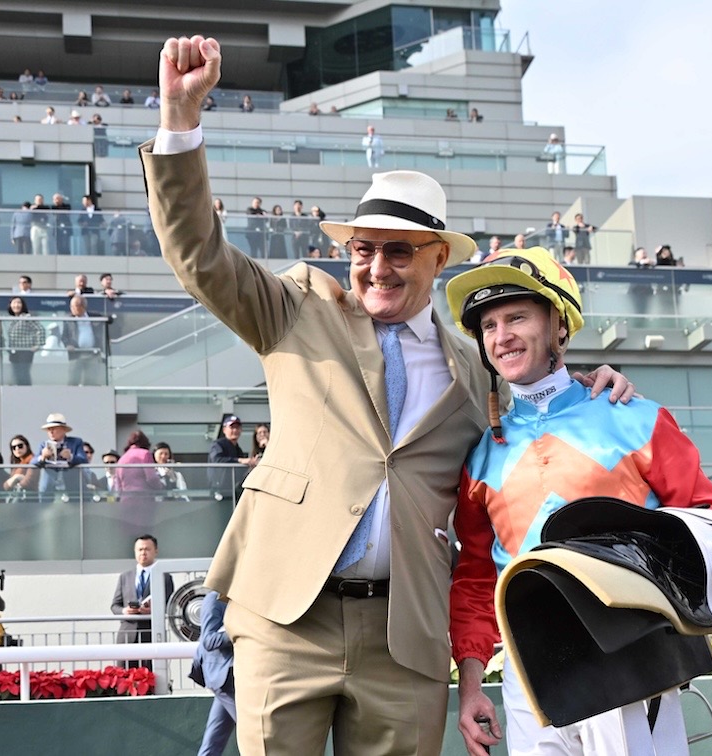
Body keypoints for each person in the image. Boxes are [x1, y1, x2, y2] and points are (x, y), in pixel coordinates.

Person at [143, 36, 632, 755]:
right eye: (364, 248)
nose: (376, 266)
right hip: (287, 618)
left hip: (406, 641)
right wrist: (181, 119)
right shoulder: (295, 308)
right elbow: (198, 253)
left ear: (439, 258)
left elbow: (540, 421)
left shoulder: (478, 375)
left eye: (399, 250)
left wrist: (592, 384)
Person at [444, 248, 712, 755]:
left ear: (559, 325)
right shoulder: (483, 455)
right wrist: (470, 687)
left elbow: (710, 523)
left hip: (630, 659)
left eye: (516, 317)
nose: (501, 336)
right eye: (488, 326)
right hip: (526, 675)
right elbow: (475, 579)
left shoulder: (633, 416)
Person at [110, 534, 174, 669]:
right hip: (127, 634)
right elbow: (115, 605)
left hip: (151, 633)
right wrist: (124, 611)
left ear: (155, 551)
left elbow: (170, 605)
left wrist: (153, 610)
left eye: (147, 549)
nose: (143, 553)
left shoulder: (165, 577)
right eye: (139, 549)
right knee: (124, 678)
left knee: (151, 676)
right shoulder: (125, 577)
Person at [190, 591, 237, 756]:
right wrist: (239, 633)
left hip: (229, 678)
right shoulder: (214, 598)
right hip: (222, 677)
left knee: (213, 742)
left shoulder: (240, 597)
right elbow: (208, 640)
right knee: (253, 730)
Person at [115, 430, 162, 533]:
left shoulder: (122, 459)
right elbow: (151, 478)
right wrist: (161, 487)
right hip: (143, 500)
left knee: (129, 534)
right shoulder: (145, 454)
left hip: (125, 501)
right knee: (145, 534)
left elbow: (117, 487)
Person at [34, 413, 88, 495]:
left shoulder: (75, 442)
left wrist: (70, 457)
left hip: (71, 488)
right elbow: (32, 462)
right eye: (49, 429)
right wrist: (42, 457)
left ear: (63, 429)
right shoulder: (43, 445)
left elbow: (84, 460)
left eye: (54, 428)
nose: (51, 432)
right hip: (48, 489)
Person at [207, 414, 257, 498]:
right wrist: (239, 460)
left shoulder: (238, 449)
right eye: (232, 427)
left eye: (237, 427)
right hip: (219, 491)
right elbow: (217, 460)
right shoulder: (218, 444)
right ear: (224, 429)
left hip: (233, 491)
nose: (235, 430)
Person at [61, 295, 106, 385]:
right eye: (71, 306)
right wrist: (68, 344)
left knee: (91, 381)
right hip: (76, 354)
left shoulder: (95, 317)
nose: (72, 308)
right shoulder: (68, 319)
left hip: (93, 354)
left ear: (82, 306)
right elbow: (64, 336)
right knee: (73, 380)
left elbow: (109, 320)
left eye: (74, 306)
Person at [5, 297, 44, 385]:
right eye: (14, 303)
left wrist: (38, 345)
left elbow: (40, 329)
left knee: (23, 373)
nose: (16, 305)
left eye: (19, 303)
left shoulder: (26, 317)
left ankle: (26, 392)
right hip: (14, 352)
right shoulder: (11, 320)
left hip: (25, 351)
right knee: (16, 374)